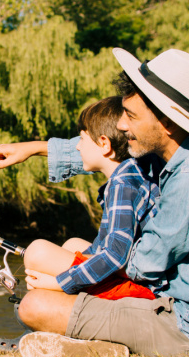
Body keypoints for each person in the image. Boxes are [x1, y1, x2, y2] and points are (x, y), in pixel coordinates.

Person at [0, 48, 189, 357]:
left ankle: (102, 348)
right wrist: (31, 148)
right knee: (71, 246)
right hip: (173, 294)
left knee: (34, 305)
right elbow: (110, 154)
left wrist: (63, 279)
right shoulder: (184, 150)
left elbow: (139, 265)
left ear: (167, 122)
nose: (122, 126)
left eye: (131, 117)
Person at [23, 96, 157, 303]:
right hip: (134, 279)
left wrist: (60, 282)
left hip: (139, 292)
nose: (77, 148)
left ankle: (60, 309)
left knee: (36, 252)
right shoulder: (132, 173)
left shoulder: (122, 186)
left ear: (104, 144)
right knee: (71, 244)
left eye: (82, 140)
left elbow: (115, 255)